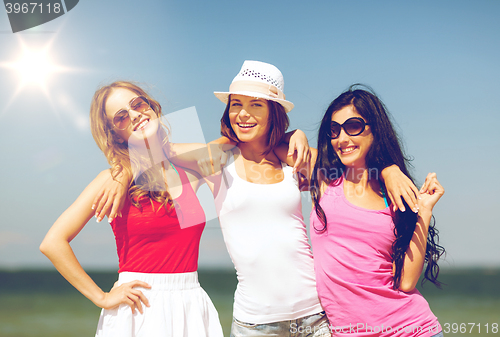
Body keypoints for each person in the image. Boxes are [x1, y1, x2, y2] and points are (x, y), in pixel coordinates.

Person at [92, 62, 421, 337]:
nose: (244, 114)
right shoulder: (215, 159)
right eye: (236, 104)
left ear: (273, 112)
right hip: (254, 324)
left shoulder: (293, 158)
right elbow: (151, 150)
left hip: (315, 317)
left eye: (256, 105)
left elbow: (355, 165)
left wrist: (390, 170)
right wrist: (120, 170)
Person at [39, 81, 224, 337]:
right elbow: (52, 242)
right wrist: (101, 297)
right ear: (115, 134)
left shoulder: (188, 164)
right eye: (121, 117)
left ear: (151, 106)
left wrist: (295, 136)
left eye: (137, 104)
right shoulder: (110, 180)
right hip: (138, 307)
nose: (135, 115)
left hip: (191, 302)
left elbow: (237, 146)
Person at [309, 85, 445, 337]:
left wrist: (424, 209)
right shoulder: (324, 178)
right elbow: (276, 144)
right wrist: (388, 168)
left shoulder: (396, 194)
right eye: (334, 130)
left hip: (412, 329)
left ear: (375, 130)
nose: (342, 139)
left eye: (353, 126)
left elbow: (406, 282)